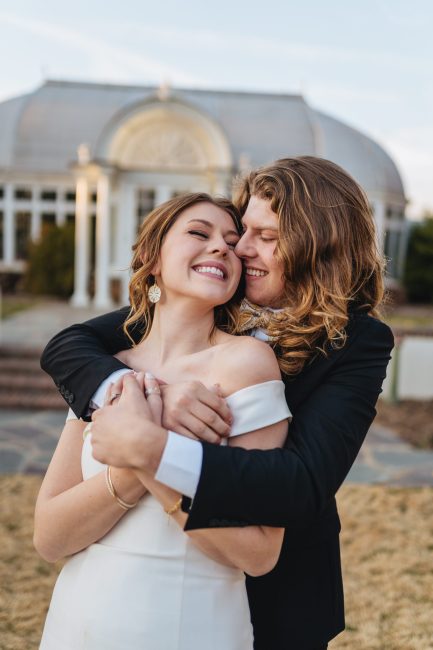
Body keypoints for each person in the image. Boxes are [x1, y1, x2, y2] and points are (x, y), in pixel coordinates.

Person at [41, 156, 394, 650]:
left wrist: (151, 445)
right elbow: (68, 345)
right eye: (242, 232)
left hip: (276, 593)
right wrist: (146, 393)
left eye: (265, 237)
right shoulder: (209, 299)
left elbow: (300, 482)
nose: (240, 249)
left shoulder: (358, 342)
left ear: (318, 246)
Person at [35, 193, 291, 650]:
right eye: (199, 233)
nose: (222, 247)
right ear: (152, 259)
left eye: (232, 242)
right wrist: (129, 471)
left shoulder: (247, 363)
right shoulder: (108, 374)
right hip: (79, 623)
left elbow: (259, 552)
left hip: (190, 626)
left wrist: (146, 450)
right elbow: (49, 539)